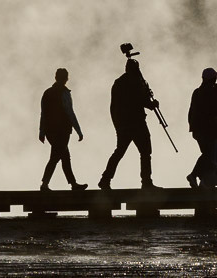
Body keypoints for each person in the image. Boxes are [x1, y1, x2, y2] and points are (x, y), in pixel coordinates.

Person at [99, 56, 159, 190]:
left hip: (123, 124)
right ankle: (146, 182)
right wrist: (152, 104)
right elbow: (141, 100)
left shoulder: (119, 82)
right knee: (145, 152)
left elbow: (113, 106)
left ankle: (105, 179)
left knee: (119, 152)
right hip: (137, 122)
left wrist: (118, 125)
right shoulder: (136, 82)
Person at [39, 68, 88, 191]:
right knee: (56, 157)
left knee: (64, 157)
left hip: (50, 131)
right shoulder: (64, 93)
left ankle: (73, 184)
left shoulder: (47, 92)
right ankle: (45, 184)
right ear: (66, 78)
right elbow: (69, 112)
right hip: (62, 130)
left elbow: (43, 114)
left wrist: (42, 131)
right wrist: (78, 130)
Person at [187, 68, 217, 189]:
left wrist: (192, 127)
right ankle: (194, 176)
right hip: (207, 130)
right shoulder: (210, 93)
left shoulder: (197, 92)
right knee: (208, 155)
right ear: (211, 79)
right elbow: (215, 111)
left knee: (208, 156)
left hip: (197, 130)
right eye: (215, 79)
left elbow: (190, 112)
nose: (216, 80)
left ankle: (204, 182)